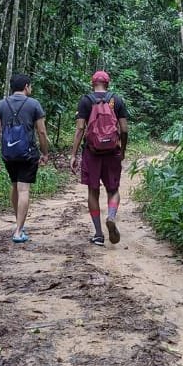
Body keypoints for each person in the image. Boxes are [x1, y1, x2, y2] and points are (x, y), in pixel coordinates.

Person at [70, 70, 128, 246]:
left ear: (92, 83)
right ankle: (110, 216)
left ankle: (98, 234)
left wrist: (73, 154)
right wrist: (122, 149)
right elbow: (124, 129)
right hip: (112, 152)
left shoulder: (86, 100)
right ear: (108, 84)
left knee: (93, 191)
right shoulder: (116, 100)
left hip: (92, 152)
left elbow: (80, 129)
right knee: (113, 190)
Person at [0, 74, 49, 243]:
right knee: (23, 189)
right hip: (28, 153)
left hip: (8, 153)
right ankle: (18, 231)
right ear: (26, 86)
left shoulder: (1, 105)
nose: (31, 89)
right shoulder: (34, 104)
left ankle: (19, 224)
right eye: (30, 86)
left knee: (15, 186)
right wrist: (45, 153)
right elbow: (42, 131)